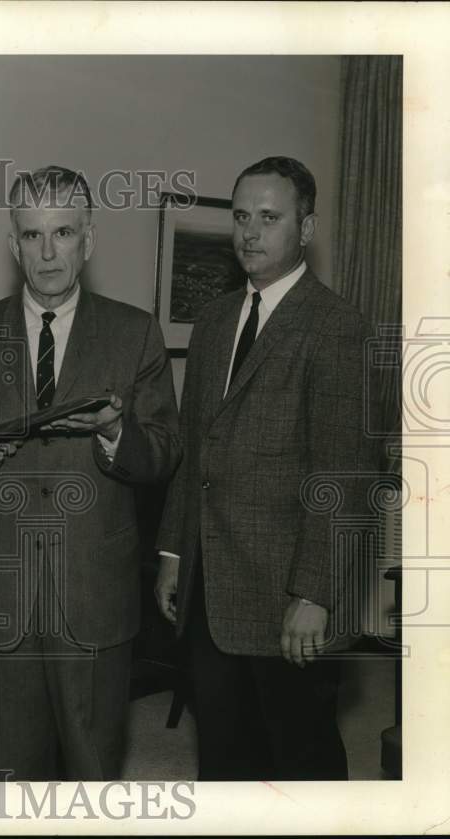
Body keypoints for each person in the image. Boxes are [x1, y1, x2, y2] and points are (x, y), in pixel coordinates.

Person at [0, 166, 181, 780]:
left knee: (94, 768)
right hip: (0, 593)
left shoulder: (133, 332)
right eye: (32, 235)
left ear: (88, 241)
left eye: (63, 232)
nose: (48, 252)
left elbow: (165, 454)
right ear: (12, 243)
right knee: (13, 771)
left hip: (94, 593)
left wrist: (113, 433)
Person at [154, 156, 381, 780]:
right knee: (226, 762)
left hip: (289, 598)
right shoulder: (215, 321)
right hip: (209, 592)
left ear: (305, 229)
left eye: (270, 218)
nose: (250, 233)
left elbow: (346, 477)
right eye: (242, 217)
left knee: (301, 762)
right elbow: (193, 444)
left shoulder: (338, 328)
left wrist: (316, 594)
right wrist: (174, 552)